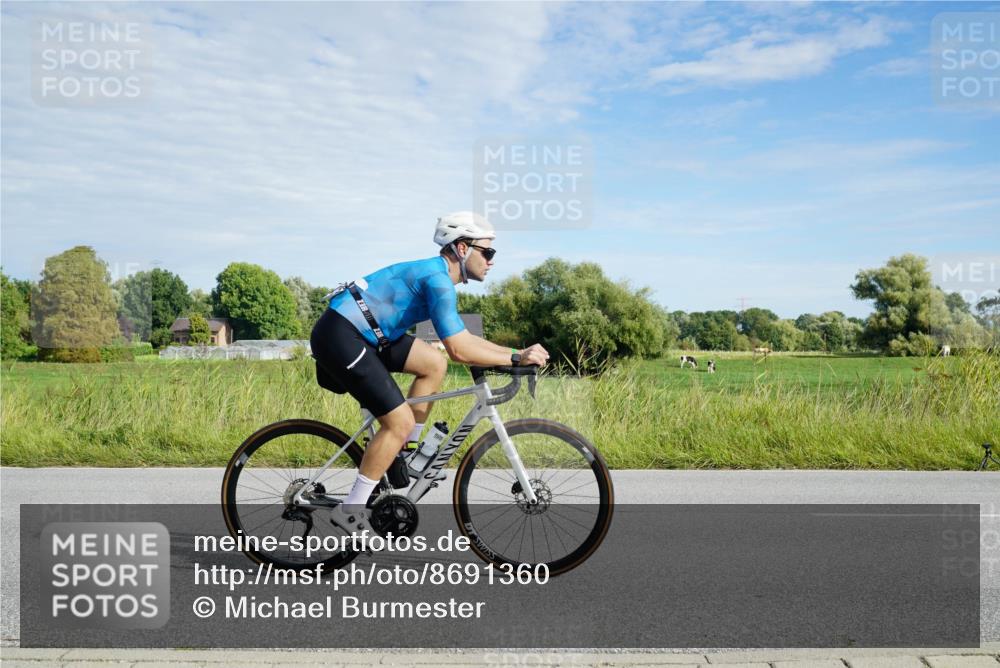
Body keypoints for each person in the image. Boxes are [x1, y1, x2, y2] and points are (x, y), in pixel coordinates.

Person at [310, 211, 549, 537]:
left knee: (433, 363)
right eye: (488, 252)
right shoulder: (437, 281)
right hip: (341, 334)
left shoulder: (439, 277)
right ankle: (351, 510)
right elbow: (460, 349)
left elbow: (464, 339)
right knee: (399, 422)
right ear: (462, 248)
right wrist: (515, 356)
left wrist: (515, 355)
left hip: (373, 334)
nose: (492, 260)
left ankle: (405, 454)